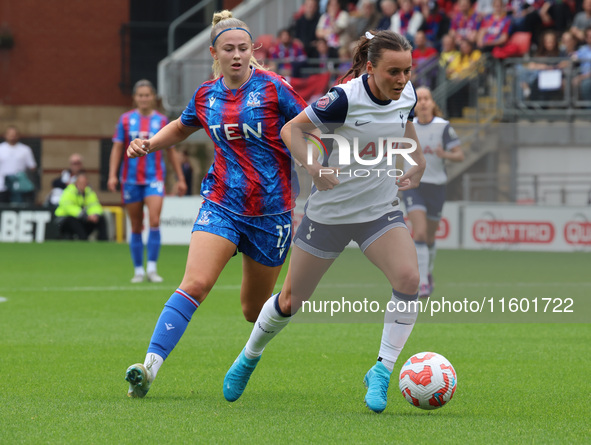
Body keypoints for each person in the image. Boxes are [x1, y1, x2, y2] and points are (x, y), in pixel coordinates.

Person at [222, 29, 426, 414]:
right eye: (393, 72)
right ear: (370, 67)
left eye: (407, 71)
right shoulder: (344, 98)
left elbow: (406, 128)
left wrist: (417, 164)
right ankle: (249, 356)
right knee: (290, 300)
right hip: (329, 216)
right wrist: (313, 167)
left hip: (379, 211)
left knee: (409, 280)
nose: (401, 80)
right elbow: (291, 130)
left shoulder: (408, 93)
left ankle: (382, 370)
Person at [123, 10, 308, 398]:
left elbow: (312, 123)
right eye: (229, 49)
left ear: (252, 50)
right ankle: (149, 367)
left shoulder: (275, 88)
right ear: (215, 53)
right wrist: (149, 144)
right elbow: (182, 125)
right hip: (221, 203)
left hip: (271, 215)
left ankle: (250, 355)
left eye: (244, 48)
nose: (238, 55)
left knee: (253, 310)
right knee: (195, 283)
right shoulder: (206, 95)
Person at [108, 79, 187, 283]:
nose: (144, 98)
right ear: (135, 98)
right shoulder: (125, 120)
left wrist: (180, 178)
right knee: (135, 225)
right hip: (131, 180)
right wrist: (112, 175)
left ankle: (152, 268)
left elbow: (171, 150)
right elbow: (117, 148)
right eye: (140, 95)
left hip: (154, 178)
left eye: (147, 95)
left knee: (153, 220)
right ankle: (138, 270)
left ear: (153, 98)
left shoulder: (161, 121)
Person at [402, 87, 464, 298]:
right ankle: (421, 281)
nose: (424, 103)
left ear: (432, 103)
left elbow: (459, 155)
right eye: (419, 100)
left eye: (427, 98)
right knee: (418, 233)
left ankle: (427, 273)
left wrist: (444, 153)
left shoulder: (443, 127)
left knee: (429, 237)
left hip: (437, 186)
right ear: (414, 105)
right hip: (415, 185)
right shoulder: (408, 126)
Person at [54, 172, 108, 241]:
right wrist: (85, 216)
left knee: (101, 219)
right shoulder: (69, 191)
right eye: (81, 182)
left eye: (85, 183)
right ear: (76, 182)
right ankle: (82, 239)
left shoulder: (89, 192)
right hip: (65, 220)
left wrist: (94, 215)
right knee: (72, 220)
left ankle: (104, 242)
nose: (83, 185)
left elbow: (95, 205)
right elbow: (68, 207)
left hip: (83, 219)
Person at [0, 125, 37, 204]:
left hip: (19, 186)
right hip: (2, 185)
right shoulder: (1, 148)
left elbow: (32, 167)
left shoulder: (25, 149)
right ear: (5, 135)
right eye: (10, 134)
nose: (12, 136)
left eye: (15, 134)